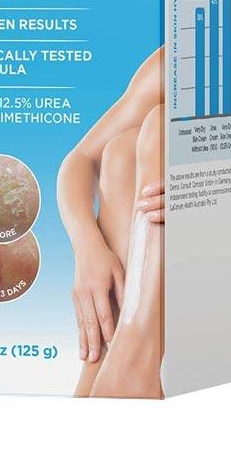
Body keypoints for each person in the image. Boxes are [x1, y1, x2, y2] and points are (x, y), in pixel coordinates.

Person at [57, 49, 166, 397]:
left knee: (163, 127)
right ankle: (110, 362)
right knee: (122, 150)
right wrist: (87, 247)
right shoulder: (190, 57)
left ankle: (131, 365)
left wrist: (200, 182)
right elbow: (81, 158)